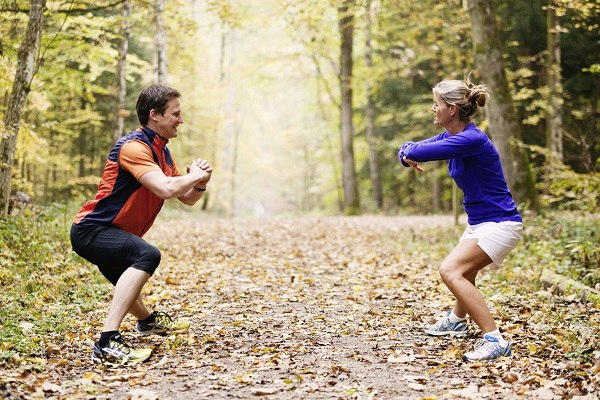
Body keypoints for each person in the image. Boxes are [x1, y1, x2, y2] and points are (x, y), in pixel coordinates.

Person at [70, 84, 213, 366]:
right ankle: (106, 342)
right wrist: (193, 175)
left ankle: (147, 322)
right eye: (175, 113)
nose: (181, 120)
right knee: (147, 255)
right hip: (93, 230)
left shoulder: (162, 152)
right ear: (154, 115)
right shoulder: (133, 147)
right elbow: (164, 188)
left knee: (127, 282)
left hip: (113, 232)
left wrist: (200, 183)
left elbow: (185, 198)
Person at [397, 77, 523, 362]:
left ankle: (495, 339)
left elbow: (416, 151)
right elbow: (409, 147)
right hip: (481, 222)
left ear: (452, 109)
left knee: (450, 271)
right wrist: (405, 153)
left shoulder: (471, 139)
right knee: (465, 273)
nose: (433, 108)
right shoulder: (452, 138)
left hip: (500, 224)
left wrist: (408, 153)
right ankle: (456, 320)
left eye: (437, 104)